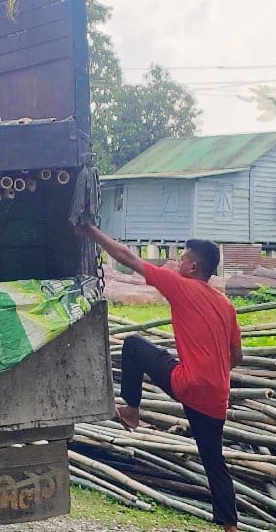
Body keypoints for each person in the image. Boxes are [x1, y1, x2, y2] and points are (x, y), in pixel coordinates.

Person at [76, 223, 241, 532]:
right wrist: (212, 374)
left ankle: (131, 409)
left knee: (133, 345)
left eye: (182, 258)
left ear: (193, 267)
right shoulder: (226, 304)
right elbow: (237, 357)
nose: (177, 262)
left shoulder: (180, 285)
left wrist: (91, 232)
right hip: (217, 396)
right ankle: (231, 526)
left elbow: (127, 257)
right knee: (214, 460)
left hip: (187, 383)